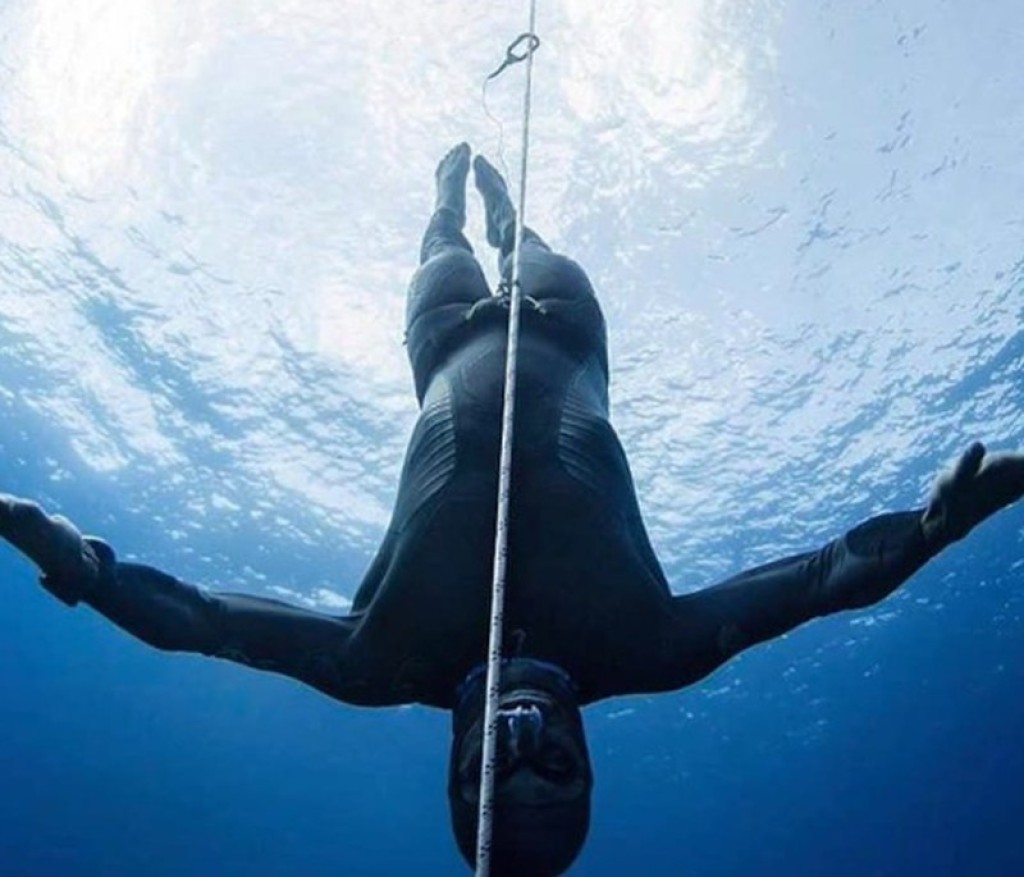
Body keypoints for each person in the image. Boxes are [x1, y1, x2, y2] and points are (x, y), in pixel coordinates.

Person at [2, 142, 1022, 876]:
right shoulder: (654, 647)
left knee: (436, 243)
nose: (525, 736)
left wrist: (85, 571)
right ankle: (510, 217)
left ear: (457, 776)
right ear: (590, 770)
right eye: (556, 768)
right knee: (530, 242)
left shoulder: (379, 660)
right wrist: (935, 528)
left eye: (500, 770)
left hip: (443, 343)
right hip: (571, 332)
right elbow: (822, 583)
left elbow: (201, 624)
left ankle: (451, 199)